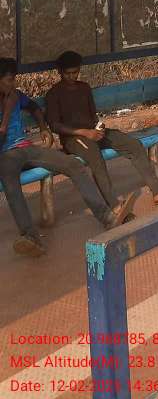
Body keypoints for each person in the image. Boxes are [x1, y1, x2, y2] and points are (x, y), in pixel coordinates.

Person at [0, 57, 136, 258]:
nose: (13, 84)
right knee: (11, 185)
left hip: (27, 149)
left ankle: (107, 217)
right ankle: (30, 237)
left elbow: (34, 107)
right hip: (6, 156)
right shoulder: (10, 100)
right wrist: (7, 112)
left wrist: (43, 127)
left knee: (73, 165)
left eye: (14, 79)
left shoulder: (16, 95)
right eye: (9, 80)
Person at [46, 51, 158, 210]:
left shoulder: (84, 88)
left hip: (93, 132)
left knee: (133, 145)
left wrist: (99, 127)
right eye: (68, 73)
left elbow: (93, 116)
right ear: (60, 72)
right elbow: (55, 126)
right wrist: (85, 132)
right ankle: (114, 205)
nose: (72, 76)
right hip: (73, 138)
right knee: (95, 157)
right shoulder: (54, 94)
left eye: (75, 72)